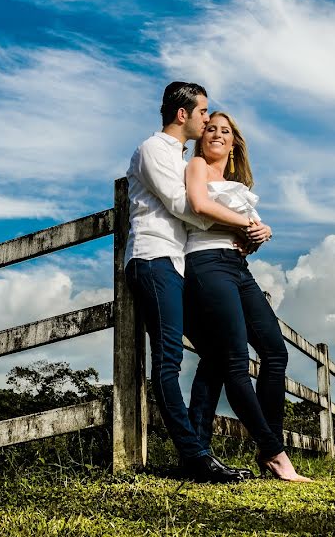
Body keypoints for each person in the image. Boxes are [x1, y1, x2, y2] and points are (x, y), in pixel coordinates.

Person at [124, 82, 252, 483]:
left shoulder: (178, 158)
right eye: (202, 113)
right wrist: (244, 224)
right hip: (153, 258)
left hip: (176, 265)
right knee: (168, 360)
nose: (206, 120)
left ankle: (197, 449)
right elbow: (185, 206)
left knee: (214, 352)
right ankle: (195, 457)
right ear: (184, 114)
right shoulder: (153, 150)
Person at [183, 111, 312, 482]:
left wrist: (256, 237)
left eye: (225, 131)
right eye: (210, 128)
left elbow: (244, 240)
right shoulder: (196, 167)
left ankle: (267, 448)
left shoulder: (236, 184)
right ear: (201, 137)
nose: (217, 134)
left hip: (238, 268)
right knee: (234, 360)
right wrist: (251, 225)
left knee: (275, 352)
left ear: (235, 142)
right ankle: (276, 454)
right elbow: (200, 206)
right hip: (206, 263)